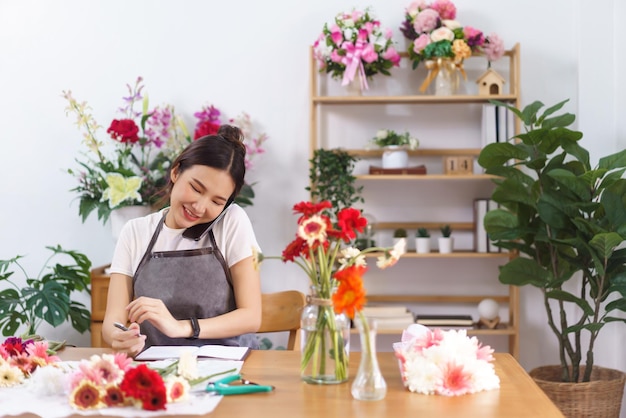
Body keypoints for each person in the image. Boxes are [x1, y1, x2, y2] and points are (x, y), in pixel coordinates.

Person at [102, 124, 262, 357]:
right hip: (157, 369)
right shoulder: (135, 232)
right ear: (176, 172)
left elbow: (251, 316)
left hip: (227, 367)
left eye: (217, 202)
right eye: (196, 188)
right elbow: (112, 321)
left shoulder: (232, 222)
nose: (199, 207)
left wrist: (182, 327)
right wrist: (121, 337)